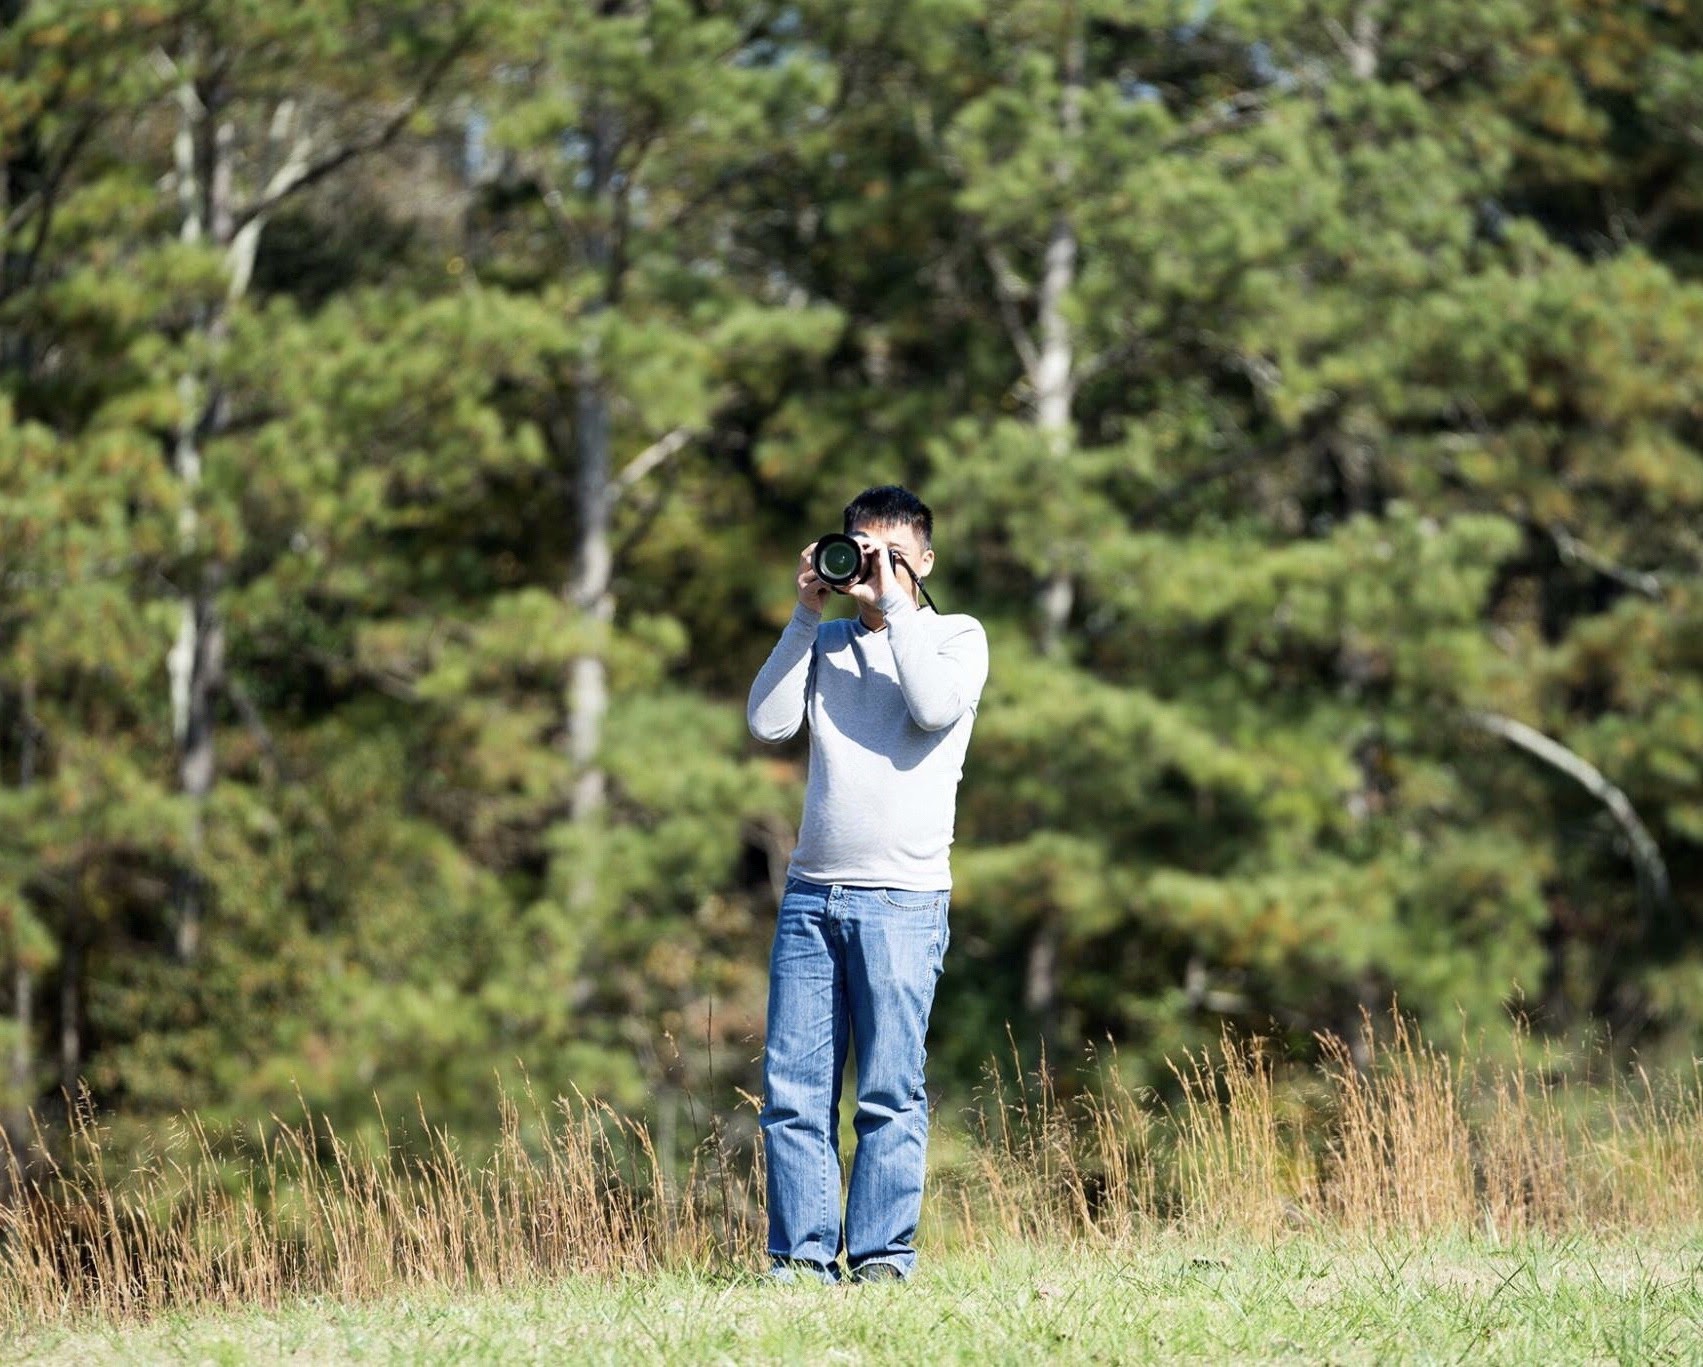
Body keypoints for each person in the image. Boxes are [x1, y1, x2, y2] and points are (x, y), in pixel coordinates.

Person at [746, 484, 989, 1285]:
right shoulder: (828, 642)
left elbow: (929, 706)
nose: (873, 566)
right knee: (793, 1093)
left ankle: (882, 1262)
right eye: (859, 549)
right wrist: (808, 614)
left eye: (891, 552)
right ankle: (802, 1262)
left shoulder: (955, 636)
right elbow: (768, 723)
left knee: (888, 1092)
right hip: (812, 895)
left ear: (923, 559)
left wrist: (896, 606)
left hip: (902, 901)